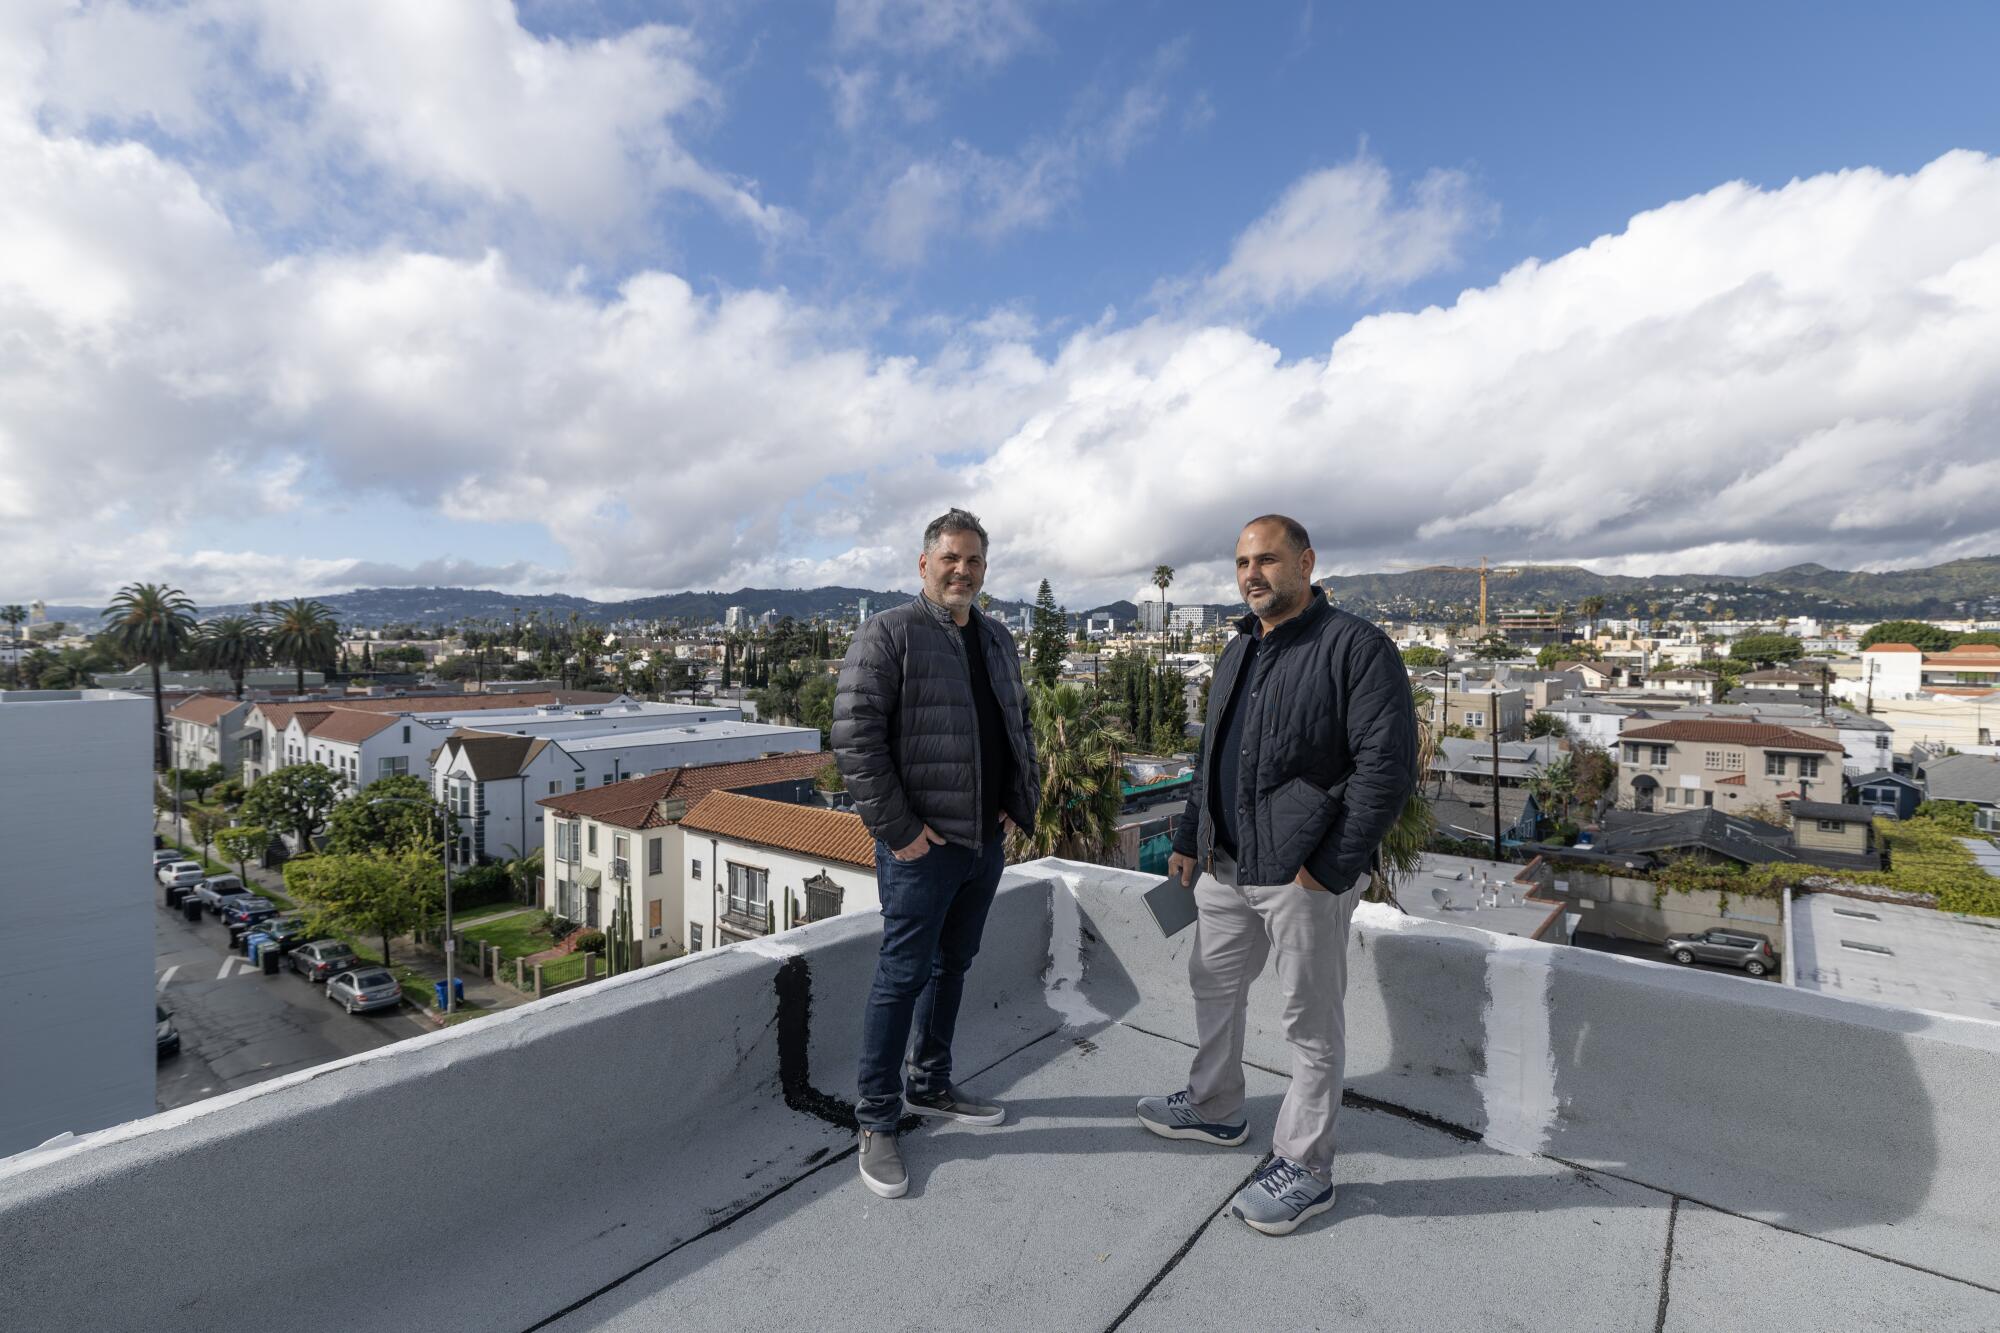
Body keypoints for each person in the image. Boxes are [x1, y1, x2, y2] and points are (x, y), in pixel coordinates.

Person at [1140, 514, 1418, 1236]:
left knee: (1310, 1023)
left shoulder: (1356, 647)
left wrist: (1328, 868)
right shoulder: (1239, 648)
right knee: (1212, 985)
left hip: (1301, 875)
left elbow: (1386, 770)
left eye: (1266, 559)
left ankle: (1306, 1166)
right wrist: (1188, 838)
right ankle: (1215, 1106)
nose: (1252, 574)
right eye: (1242, 563)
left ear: (1306, 562)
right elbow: (1210, 758)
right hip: (1224, 865)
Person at [832, 507, 1041, 1200]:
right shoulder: (889, 633)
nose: (962, 570)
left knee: (954, 966)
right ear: (924, 564)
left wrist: (1016, 800)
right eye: (950, 558)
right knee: (901, 976)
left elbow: (1016, 724)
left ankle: (930, 1083)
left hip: (982, 843)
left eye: (973, 560)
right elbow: (855, 739)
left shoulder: (997, 638)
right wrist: (899, 831)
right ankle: (876, 1119)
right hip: (921, 849)